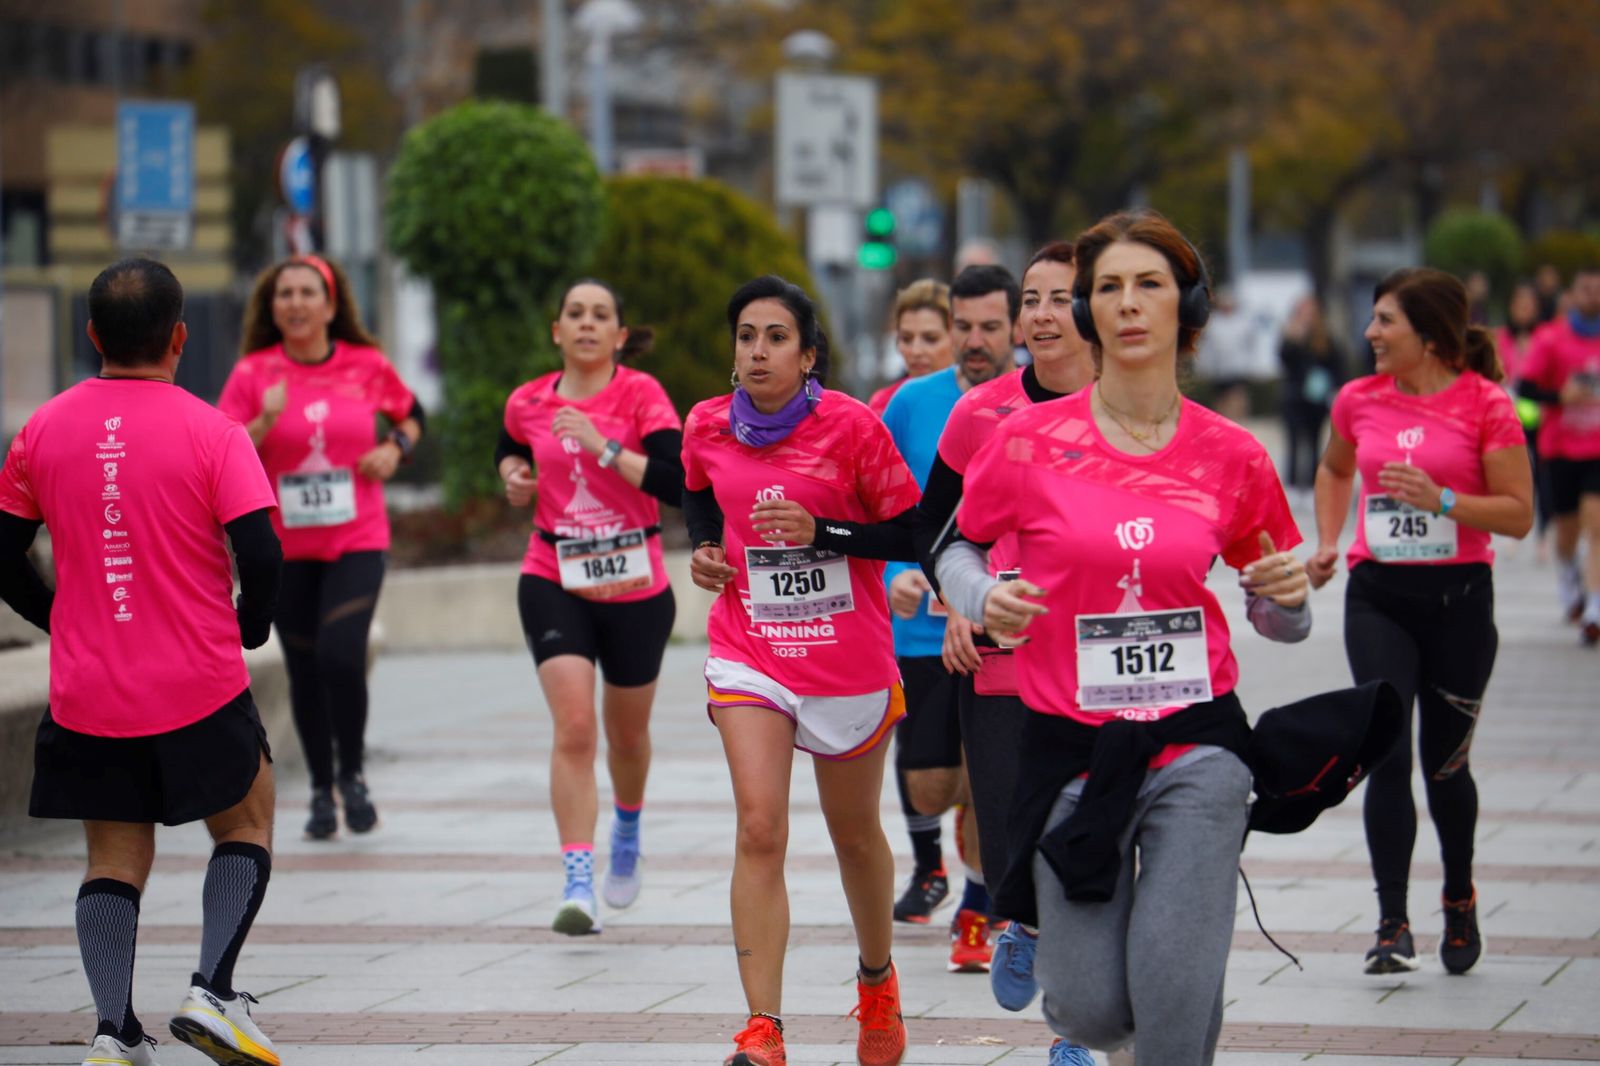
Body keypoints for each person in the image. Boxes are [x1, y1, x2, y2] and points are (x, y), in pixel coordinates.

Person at [935, 210, 1312, 1065]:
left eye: (1150, 285)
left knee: (1174, 1007)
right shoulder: (1029, 442)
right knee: (1093, 1011)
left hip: (1198, 746)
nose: (1129, 304)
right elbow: (954, 542)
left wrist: (1286, 601)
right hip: (1072, 746)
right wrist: (985, 597)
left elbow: (1280, 616)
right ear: (1087, 313)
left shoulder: (1233, 455)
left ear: (1189, 307)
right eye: (1108, 287)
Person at [0, 258, 285, 1066]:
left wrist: (58, 617)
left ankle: (114, 1031)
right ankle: (215, 992)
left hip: (90, 689)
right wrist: (251, 626)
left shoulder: (41, 430)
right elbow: (262, 552)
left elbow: (1, 552)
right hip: (198, 680)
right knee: (249, 820)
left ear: (91, 335)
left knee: (113, 858)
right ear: (180, 338)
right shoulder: (213, 430)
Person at [682, 275, 919, 1066]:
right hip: (752, 649)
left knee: (855, 836)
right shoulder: (707, 425)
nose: (757, 350)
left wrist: (828, 532)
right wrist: (709, 552)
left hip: (845, 656)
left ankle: (877, 981)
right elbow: (698, 497)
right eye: (746, 335)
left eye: (776, 337)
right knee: (760, 825)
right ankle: (764, 1029)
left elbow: (913, 531)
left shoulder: (853, 429)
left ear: (809, 354)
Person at [1308, 268, 1533, 975]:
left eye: (1385, 321)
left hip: (1460, 601)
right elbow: (1335, 468)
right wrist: (1326, 539)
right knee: (1385, 753)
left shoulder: (1487, 405)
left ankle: (1459, 897)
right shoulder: (1358, 399)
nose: (1370, 334)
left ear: (1429, 337)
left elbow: (1520, 514)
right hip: (1379, 596)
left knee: (1445, 767)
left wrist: (1442, 500)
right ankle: (1390, 922)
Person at [914, 241, 1098, 1063]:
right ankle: (1016, 913)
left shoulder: (1131, 411)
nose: (1041, 315)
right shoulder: (981, 413)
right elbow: (939, 533)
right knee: (1012, 839)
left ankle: (1071, 1026)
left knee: (1089, 842)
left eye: (1061, 298)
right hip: (1000, 656)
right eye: (1033, 298)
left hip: (1101, 663)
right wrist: (966, 598)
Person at [494, 279, 683, 934]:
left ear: (619, 336)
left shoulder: (641, 394)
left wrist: (602, 443)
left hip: (635, 583)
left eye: (602, 315)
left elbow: (677, 480)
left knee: (626, 735)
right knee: (575, 726)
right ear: (557, 330)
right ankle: (578, 878)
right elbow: (512, 451)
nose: (586, 324)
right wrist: (513, 477)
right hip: (554, 574)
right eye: (574, 313)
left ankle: (626, 829)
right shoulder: (527, 401)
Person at [218, 255, 424, 840]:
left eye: (309, 292)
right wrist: (262, 422)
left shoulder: (366, 365)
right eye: (285, 294)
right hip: (285, 547)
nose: (297, 303)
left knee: (340, 654)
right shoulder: (254, 374)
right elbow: (220, 450)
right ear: (272, 307)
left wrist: (395, 450)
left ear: (331, 306)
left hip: (357, 536)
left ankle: (353, 774)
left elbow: (412, 416)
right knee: (305, 671)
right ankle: (320, 791)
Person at [880, 266, 1017, 972]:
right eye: (962, 326)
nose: (973, 340)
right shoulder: (911, 404)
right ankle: (967, 823)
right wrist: (895, 576)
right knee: (932, 783)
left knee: (990, 778)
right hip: (924, 632)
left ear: (1017, 328)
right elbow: (880, 507)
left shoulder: (1035, 405)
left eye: (989, 326)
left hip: (1008, 629)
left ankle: (977, 902)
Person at [1518, 265, 1600, 645]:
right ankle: (1569, 570)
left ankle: (1595, 607)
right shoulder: (1551, 339)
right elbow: (1527, 389)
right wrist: (1560, 397)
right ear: (1573, 294)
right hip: (1562, 448)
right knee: (1567, 533)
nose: (1592, 297)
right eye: (1586, 289)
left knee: (1597, 525)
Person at [1496, 282, 1550, 554]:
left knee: (1542, 473)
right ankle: (1511, 527)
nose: (1524, 310)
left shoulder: (1545, 337)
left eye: (1529, 305)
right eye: (1519, 305)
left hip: (1540, 414)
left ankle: (1542, 531)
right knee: (1512, 470)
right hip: (1508, 413)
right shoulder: (1501, 338)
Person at [1278, 294, 1345, 498]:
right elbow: (1284, 360)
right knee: (1293, 442)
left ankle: (1310, 485)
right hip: (1294, 397)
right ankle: (1291, 484)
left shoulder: (1325, 339)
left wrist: (1331, 388)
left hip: (1316, 399)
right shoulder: (1292, 337)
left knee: (1315, 441)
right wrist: (1293, 338)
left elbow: (1336, 366)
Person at [868, 279, 953, 416]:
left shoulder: (978, 401)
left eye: (930, 339)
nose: (916, 351)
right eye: (906, 339)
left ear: (955, 338)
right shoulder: (884, 405)